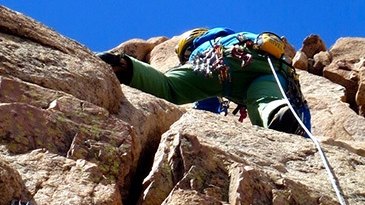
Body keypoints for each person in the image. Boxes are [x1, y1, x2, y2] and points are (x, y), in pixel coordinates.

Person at [98, 27, 310, 136]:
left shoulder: (204, 45)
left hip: (219, 58)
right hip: (271, 68)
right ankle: (278, 115)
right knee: (265, 99)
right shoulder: (236, 34)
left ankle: (125, 66)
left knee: (170, 87)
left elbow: (206, 106)